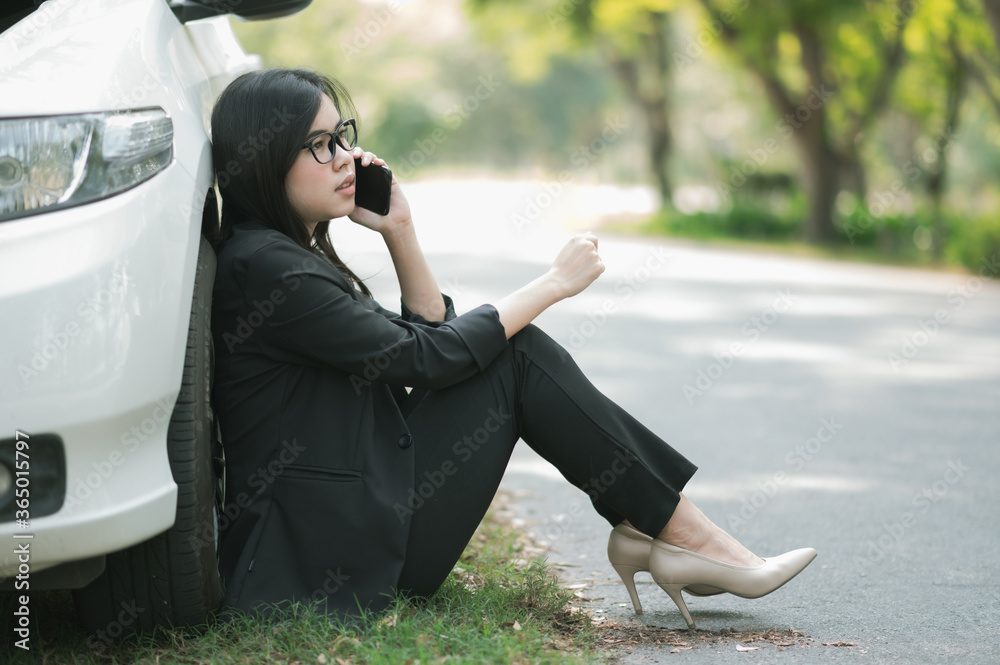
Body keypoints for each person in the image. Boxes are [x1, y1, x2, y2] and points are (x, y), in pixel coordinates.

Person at [208, 68, 816, 630]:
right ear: (265, 159)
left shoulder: (280, 258)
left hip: (349, 527)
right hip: (331, 565)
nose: (347, 158)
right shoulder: (269, 269)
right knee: (516, 353)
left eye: (343, 136)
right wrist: (550, 286)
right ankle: (681, 534)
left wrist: (400, 231)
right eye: (320, 145)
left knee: (508, 351)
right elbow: (426, 359)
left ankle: (663, 528)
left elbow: (418, 351)